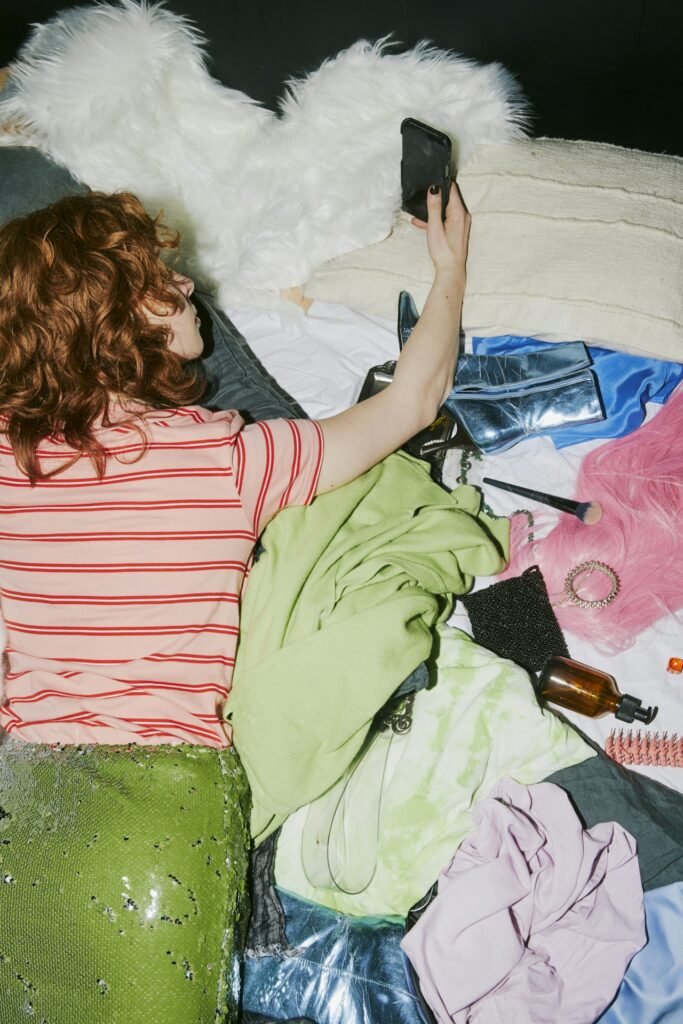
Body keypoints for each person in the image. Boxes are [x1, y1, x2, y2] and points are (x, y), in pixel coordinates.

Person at [0, 184, 469, 1022]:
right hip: (159, 813)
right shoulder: (228, 457)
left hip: (24, 805)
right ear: (113, 321)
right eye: (160, 279)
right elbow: (411, 401)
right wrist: (449, 265)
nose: (186, 288)